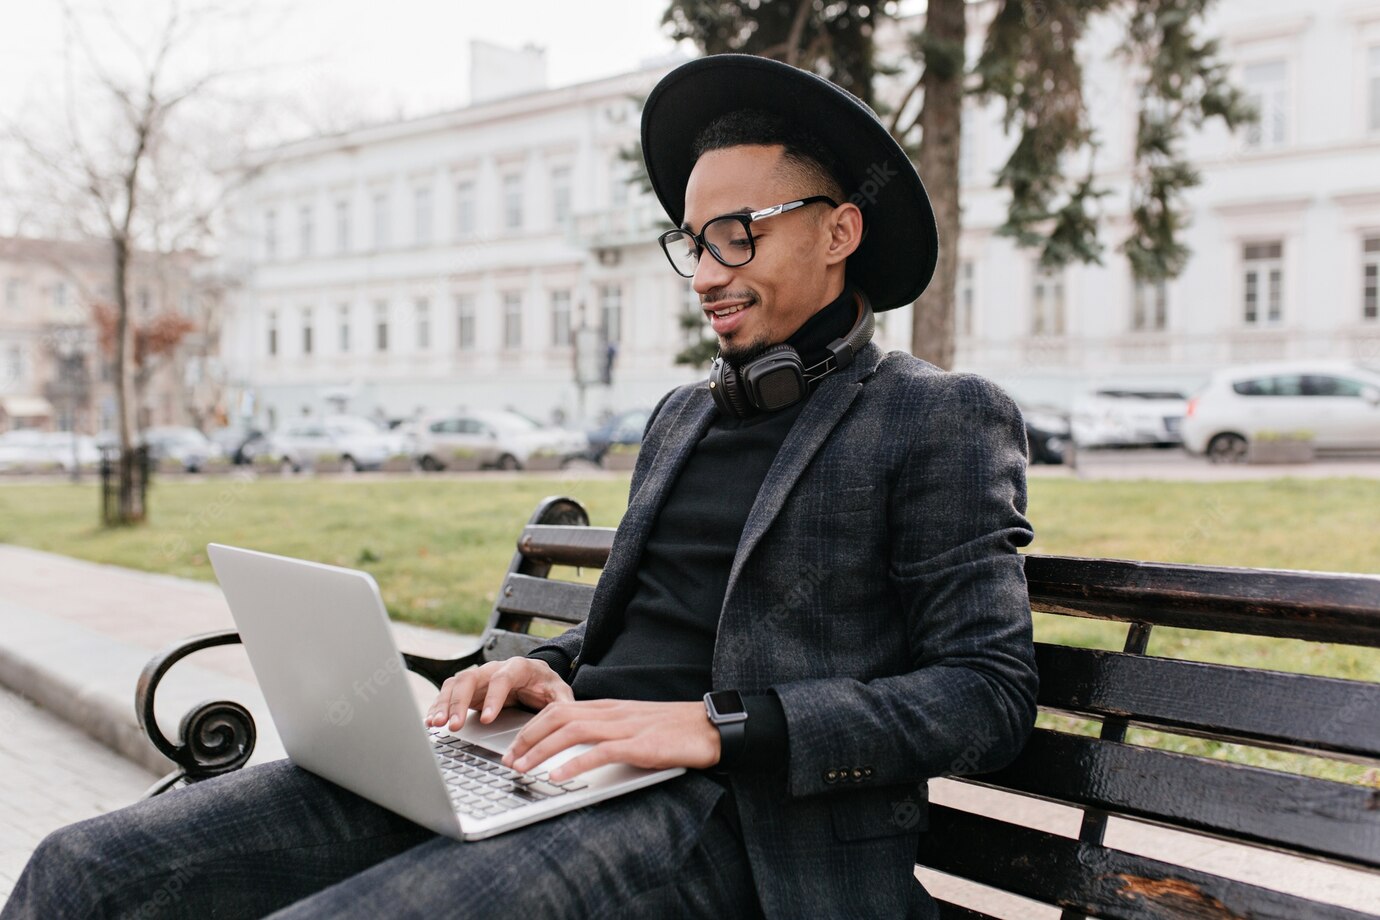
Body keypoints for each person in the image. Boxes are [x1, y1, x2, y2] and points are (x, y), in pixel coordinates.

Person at [4, 55, 1037, 920]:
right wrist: (542, 669)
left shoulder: (936, 416)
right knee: (81, 868)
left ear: (839, 231)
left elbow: (987, 695)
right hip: (553, 767)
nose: (710, 269)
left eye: (741, 231)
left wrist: (716, 724)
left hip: (741, 831)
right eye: (693, 240)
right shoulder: (685, 416)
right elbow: (638, 636)